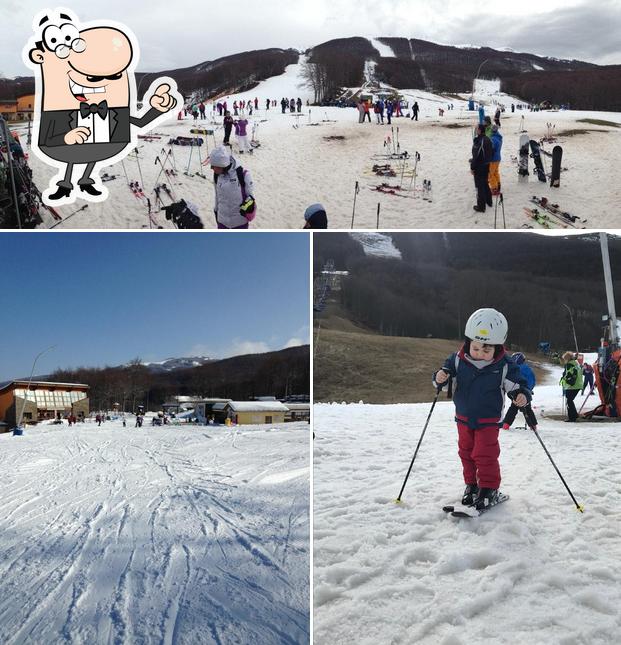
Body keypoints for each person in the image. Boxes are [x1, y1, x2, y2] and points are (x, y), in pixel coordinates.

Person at [434, 308, 531, 510]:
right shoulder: (457, 360)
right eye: (476, 348)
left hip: (488, 419)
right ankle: (471, 485)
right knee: (466, 452)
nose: (480, 354)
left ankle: (488, 488)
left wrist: (521, 395)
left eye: (487, 350)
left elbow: (516, 386)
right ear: (469, 342)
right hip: (463, 417)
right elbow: (443, 378)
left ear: (498, 347)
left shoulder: (505, 365)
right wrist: (440, 377)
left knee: (484, 453)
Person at [209, 145, 256, 229]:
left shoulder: (243, 174)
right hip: (222, 222)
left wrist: (247, 208)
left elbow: (251, 198)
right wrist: (216, 212)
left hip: (240, 222)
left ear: (222, 165)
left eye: (213, 166)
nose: (212, 169)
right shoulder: (217, 176)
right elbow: (217, 196)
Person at [502, 353, 536, 429]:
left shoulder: (513, 369)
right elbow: (532, 381)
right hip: (525, 392)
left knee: (513, 408)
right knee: (527, 409)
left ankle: (506, 424)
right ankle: (533, 425)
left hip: (515, 391)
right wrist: (529, 390)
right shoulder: (528, 369)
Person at [470, 123, 493, 212]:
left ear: (480, 130)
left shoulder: (480, 140)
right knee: (485, 183)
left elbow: (476, 156)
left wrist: (472, 167)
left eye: (477, 128)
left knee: (480, 186)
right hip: (486, 165)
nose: (476, 130)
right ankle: (489, 201)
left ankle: (481, 207)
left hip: (480, 166)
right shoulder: (488, 139)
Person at [560, 351, 583, 422]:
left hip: (572, 386)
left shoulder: (569, 365)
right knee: (570, 400)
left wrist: (564, 379)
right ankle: (574, 415)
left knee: (569, 401)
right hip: (578, 384)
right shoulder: (576, 363)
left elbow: (568, 375)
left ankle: (572, 417)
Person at [488, 123, 503, 196]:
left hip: (493, 159)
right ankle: (498, 184)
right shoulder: (499, 137)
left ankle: (494, 188)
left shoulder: (493, 139)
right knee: (495, 172)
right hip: (498, 158)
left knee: (490, 174)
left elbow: (491, 149)